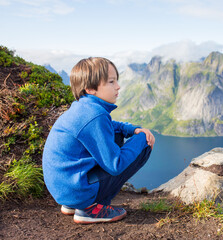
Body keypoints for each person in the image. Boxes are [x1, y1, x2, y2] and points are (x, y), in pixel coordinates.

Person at [42, 57, 155, 224]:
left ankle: (74, 204)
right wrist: (142, 137)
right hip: (77, 189)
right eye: (111, 82)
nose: (118, 86)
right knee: (144, 143)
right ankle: (89, 210)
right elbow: (115, 165)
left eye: (116, 80)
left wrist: (131, 129)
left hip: (64, 188)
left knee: (116, 134)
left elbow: (110, 125)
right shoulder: (95, 115)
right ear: (90, 88)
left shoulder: (84, 107)